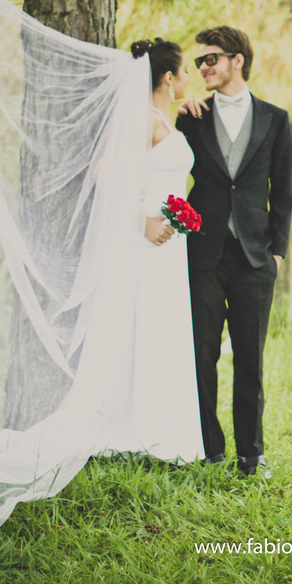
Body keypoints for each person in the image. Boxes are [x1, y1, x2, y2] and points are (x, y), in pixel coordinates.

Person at [176, 25, 292, 478]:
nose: (202, 67)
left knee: (251, 360)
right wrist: (176, 109)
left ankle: (251, 455)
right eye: (199, 61)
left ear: (236, 61)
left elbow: (283, 192)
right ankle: (210, 449)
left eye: (210, 59)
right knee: (201, 356)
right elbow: (167, 167)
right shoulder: (192, 117)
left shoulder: (274, 119)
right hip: (202, 256)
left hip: (253, 259)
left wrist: (277, 254)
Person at [99, 37, 204, 462]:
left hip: (169, 244)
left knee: (163, 325)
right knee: (141, 323)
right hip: (146, 239)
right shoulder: (144, 120)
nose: (188, 79)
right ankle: (131, 427)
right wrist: (143, 221)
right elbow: (103, 174)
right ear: (167, 77)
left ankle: (159, 426)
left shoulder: (167, 117)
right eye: (183, 72)